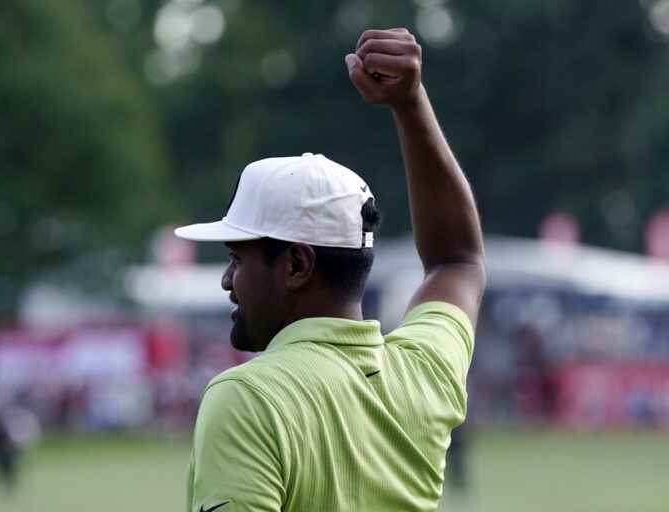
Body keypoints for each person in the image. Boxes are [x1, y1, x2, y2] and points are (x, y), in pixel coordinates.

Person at [175, 27, 486, 512]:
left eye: (238, 259)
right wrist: (410, 104)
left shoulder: (246, 397)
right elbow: (458, 260)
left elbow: (457, 259)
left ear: (296, 264)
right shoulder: (422, 374)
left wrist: (408, 104)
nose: (227, 280)